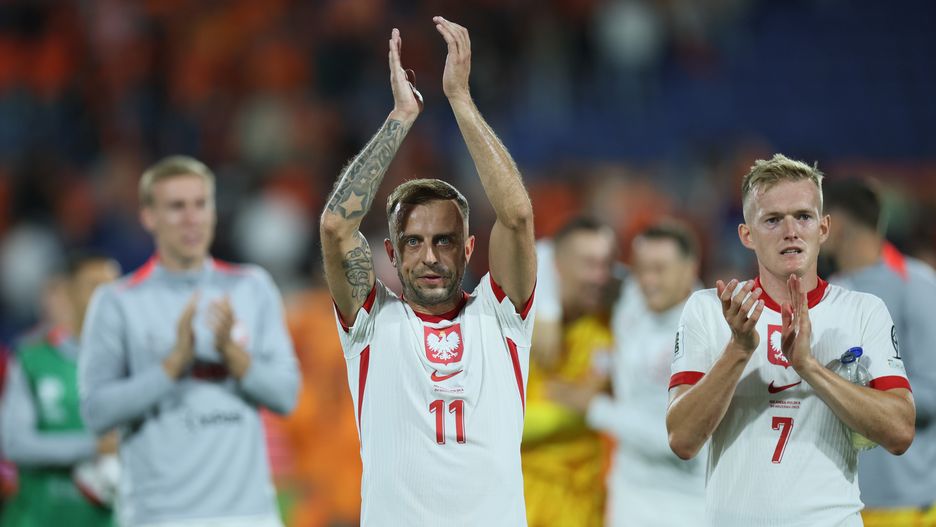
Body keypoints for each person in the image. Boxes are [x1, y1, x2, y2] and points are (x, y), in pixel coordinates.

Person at [319, 17, 536, 525]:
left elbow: (517, 216)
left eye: (444, 241)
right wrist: (400, 116)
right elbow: (335, 226)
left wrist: (460, 99)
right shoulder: (370, 323)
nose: (430, 257)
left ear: (469, 248)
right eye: (413, 242)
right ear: (391, 254)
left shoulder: (502, 316)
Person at [666, 154, 915, 526]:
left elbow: (899, 432)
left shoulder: (864, 311)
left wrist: (809, 367)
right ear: (746, 235)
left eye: (803, 216)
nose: (791, 231)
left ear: (824, 228)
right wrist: (738, 350)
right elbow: (682, 440)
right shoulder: (710, 310)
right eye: (772, 220)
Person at [79, 156, 300, 527]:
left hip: (249, 513)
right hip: (160, 516)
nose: (191, 218)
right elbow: (96, 412)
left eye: (200, 204)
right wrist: (172, 365)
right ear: (149, 217)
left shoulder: (252, 287)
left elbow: (286, 396)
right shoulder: (118, 301)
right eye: (176, 207)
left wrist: (232, 355)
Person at [823, 178, 936, 527]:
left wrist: (857, 395)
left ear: (836, 225)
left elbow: (932, 392)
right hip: (844, 501)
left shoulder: (917, 285)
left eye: (815, 218)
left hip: (905, 504)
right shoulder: (832, 291)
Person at [585, 221, 706, 526]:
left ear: (689, 269)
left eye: (659, 269)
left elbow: (681, 440)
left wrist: (596, 409)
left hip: (684, 502)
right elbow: (554, 256)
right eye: (641, 269)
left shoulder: (708, 332)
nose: (648, 280)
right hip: (626, 493)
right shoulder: (633, 298)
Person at [0, 254, 120, 527]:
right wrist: (93, 447)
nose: (107, 296)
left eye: (113, 286)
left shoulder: (130, 363)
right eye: (94, 286)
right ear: (69, 293)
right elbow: (14, 444)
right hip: (38, 519)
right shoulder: (32, 359)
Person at [521, 218, 619, 527]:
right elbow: (496, 426)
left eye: (606, 264)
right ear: (558, 266)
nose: (601, 276)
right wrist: (583, 410)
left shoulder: (613, 326)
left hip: (585, 507)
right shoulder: (519, 325)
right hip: (525, 501)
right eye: (590, 264)